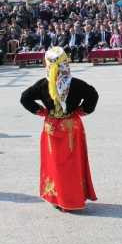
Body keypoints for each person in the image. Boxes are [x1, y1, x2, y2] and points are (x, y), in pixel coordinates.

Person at [20, 47, 98, 211]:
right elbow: (93, 95)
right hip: (71, 126)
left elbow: (25, 98)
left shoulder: (44, 84)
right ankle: (72, 199)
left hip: (52, 128)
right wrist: (81, 110)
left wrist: (42, 112)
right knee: (72, 165)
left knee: (54, 164)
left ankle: (57, 197)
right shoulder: (75, 83)